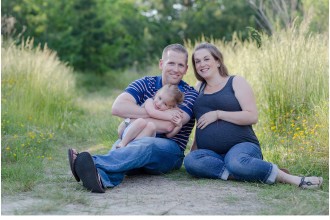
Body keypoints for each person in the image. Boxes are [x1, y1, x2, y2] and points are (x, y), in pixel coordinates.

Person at [183, 42, 323, 189]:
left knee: (236, 161)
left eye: (206, 59)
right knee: (191, 161)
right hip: (212, 153)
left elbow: (252, 116)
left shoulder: (235, 82)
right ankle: (248, 172)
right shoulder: (198, 88)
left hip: (242, 147)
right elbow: (201, 122)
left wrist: (218, 114)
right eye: (197, 61)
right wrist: (195, 150)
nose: (201, 64)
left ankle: (288, 178)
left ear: (217, 61)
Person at [68, 44, 198, 193]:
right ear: (161, 63)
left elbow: (169, 125)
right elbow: (117, 107)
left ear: (186, 69)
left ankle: (91, 163)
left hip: (169, 151)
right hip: (137, 146)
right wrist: (147, 117)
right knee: (121, 144)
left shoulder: (188, 94)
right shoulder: (145, 83)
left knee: (145, 144)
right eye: (171, 63)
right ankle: (100, 178)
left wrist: (131, 119)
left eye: (180, 65)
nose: (175, 69)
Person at [116, 84, 184, 148]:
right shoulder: (150, 101)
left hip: (141, 138)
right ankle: (123, 143)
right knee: (141, 121)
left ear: (171, 108)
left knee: (151, 126)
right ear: (156, 93)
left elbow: (169, 135)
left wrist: (178, 126)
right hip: (129, 132)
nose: (159, 103)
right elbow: (152, 113)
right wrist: (170, 117)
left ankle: (132, 148)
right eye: (159, 98)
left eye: (165, 104)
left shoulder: (165, 112)